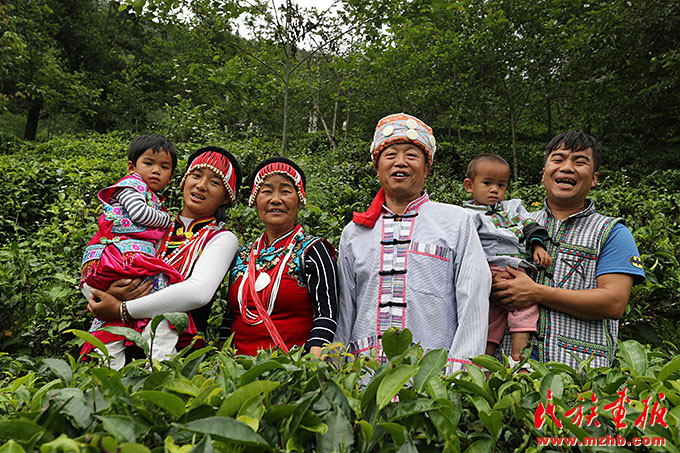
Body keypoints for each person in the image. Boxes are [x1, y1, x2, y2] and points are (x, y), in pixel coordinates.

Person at [334, 113, 490, 372]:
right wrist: (339, 373)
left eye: (411, 155)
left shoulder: (456, 222)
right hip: (364, 378)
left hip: (433, 378)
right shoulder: (354, 233)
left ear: (426, 167)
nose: (400, 162)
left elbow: (473, 298)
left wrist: (460, 374)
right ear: (377, 167)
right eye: (391, 154)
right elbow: (344, 310)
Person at [492, 130, 645, 369]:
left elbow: (613, 302)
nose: (567, 167)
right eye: (558, 159)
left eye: (580, 161)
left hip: (576, 379)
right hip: (504, 374)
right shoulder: (513, 225)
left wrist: (536, 292)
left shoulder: (612, 232)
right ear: (544, 175)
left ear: (594, 178)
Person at [85, 146, 242, 369]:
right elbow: (100, 261)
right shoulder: (152, 225)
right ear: (183, 181)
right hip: (118, 342)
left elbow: (197, 293)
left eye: (215, 182)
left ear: (227, 197)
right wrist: (106, 295)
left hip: (175, 354)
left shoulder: (222, 238)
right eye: (196, 176)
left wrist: (122, 308)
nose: (201, 185)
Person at [80, 134, 187, 367]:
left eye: (164, 167)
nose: (156, 170)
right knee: (163, 315)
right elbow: (139, 214)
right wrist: (166, 219)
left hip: (123, 264)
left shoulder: (151, 195)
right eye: (149, 163)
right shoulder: (131, 186)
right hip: (122, 259)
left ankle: (114, 378)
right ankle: (156, 371)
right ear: (132, 167)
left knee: (113, 334)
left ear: (171, 177)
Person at [219, 157, 338, 358]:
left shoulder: (314, 250)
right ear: (255, 199)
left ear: (300, 199)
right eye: (266, 191)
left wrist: (312, 369)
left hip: (291, 372)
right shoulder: (243, 254)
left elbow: (326, 314)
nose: (275, 199)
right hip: (236, 373)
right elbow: (230, 318)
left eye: (285, 191)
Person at [462, 153, 552, 370]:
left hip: (515, 268)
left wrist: (538, 246)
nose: (495, 190)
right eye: (487, 183)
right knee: (496, 316)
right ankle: (487, 363)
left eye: (501, 185)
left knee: (516, 310)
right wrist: (482, 278)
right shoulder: (465, 215)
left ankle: (515, 360)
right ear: (469, 186)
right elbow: (464, 249)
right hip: (487, 268)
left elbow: (530, 225)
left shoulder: (513, 208)